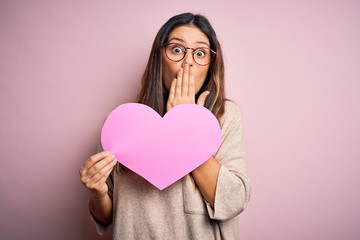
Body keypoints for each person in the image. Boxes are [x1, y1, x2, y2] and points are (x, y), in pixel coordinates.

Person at [79, 12, 251, 239]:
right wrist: (97, 191)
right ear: (159, 57)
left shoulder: (225, 116)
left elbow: (234, 199)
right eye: (177, 49)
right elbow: (105, 216)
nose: (188, 61)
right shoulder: (123, 121)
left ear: (210, 65)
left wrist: (187, 124)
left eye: (200, 53)